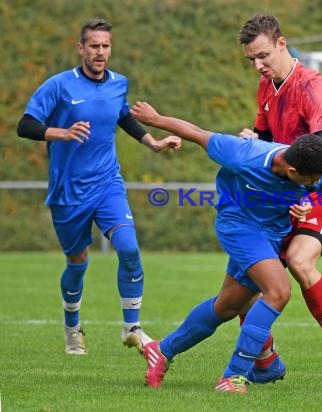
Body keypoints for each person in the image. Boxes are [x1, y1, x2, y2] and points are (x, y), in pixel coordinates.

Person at [130, 100, 322, 393]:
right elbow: (196, 132)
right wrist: (156, 118)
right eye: (311, 181)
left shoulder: (317, 169)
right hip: (238, 227)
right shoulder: (242, 154)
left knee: (227, 306)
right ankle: (233, 376)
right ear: (293, 170)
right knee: (279, 291)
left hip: (272, 234)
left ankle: (163, 350)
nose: (318, 183)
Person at [16, 18, 182, 356]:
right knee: (77, 263)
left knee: (129, 247)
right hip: (67, 192)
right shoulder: (60, 86)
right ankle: (72, 328)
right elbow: (25, 125)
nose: (101, 52)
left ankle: (131, 327)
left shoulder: (118, 83)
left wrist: (153, 142)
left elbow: (122, 116)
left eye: (106, 46)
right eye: (94, 46)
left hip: (107, 184)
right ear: (81, 48)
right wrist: (59, 133)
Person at [237, 14, 322, 391]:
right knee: (247, 276)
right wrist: (251, 143)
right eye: (251, 60)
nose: (258, 66)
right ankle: (267, 362)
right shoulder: (267, 87)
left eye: (263, 56)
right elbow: (266, 148)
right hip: (290, 192)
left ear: (282, 43)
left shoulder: (314, 88)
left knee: (298, 259)